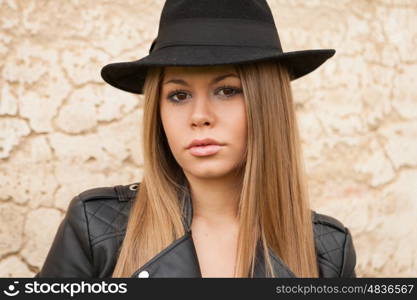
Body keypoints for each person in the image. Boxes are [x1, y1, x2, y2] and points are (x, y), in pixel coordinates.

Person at [35, 0, 357, 278]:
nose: (199, 116)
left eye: (227, 90)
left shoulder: (326, 251)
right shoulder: (97, 230)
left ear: (268, 104)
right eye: (178, 95)